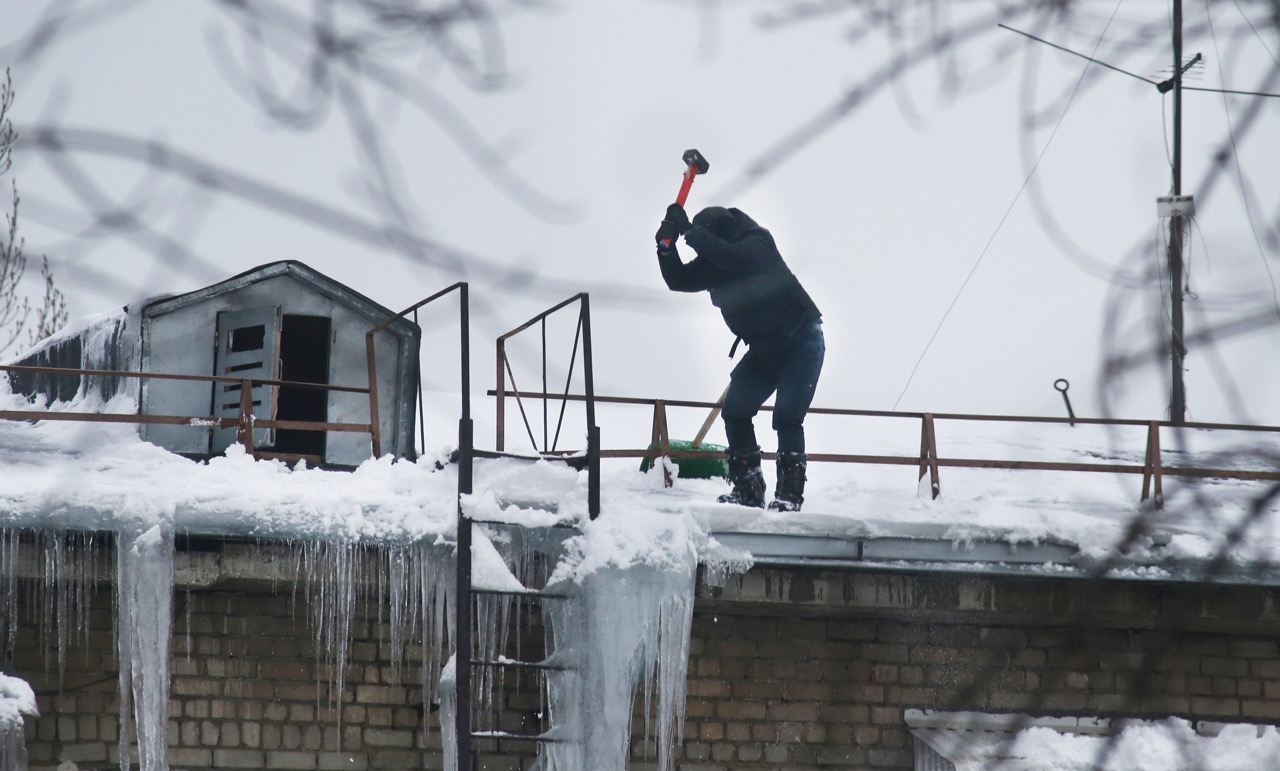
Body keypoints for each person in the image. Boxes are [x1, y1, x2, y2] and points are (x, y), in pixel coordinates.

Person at [654, 203, 824, 511]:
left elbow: (735, 258)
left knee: (787, 416)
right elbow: (678, 280)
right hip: (763, 350)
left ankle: (789, 496)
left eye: (708, 240)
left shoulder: (758, 243)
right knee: (735, 410)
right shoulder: (713, 265)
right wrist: (666, 248)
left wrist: (690, 232)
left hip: (801, 342)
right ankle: (748, 489)